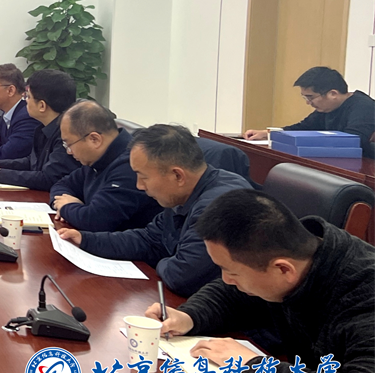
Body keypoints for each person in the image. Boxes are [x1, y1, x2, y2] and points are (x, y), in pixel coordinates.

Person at [145, 190, 375, 373]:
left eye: (232, 273)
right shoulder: (296, 256)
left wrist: (254, 366)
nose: (226, 280)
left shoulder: (364, 293)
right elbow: (233, 295)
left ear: (283, 269)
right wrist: (189, 316)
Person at [57, 124, 250, 295]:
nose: (139, 186)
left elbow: (181, 277)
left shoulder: (219, 206)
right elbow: (148, 240)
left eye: (143, 177)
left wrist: (162, 259)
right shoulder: (181, 194)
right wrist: (86, 240)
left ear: (177, 176)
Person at [49, 101, 161, 231]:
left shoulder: (131, 164)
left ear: (94, 139)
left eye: (69, 144)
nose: (69, 152)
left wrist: (67, 208)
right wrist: (69, 206)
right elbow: (62, 184)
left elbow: (95, 221)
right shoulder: (96, 159)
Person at [0, 69, 78, 190]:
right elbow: (31, 162)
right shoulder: (43, 127)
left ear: (42, 106)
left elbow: (49, 178)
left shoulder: (67, 135)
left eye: (28, 97)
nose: (25, 100)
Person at [243, 66, 375, 158]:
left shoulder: (364, 107)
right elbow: (304, 127)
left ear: (333, 94)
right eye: (305, 98)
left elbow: (353, 141)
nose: (308, 103)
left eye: (310, 97)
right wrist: (269, 134)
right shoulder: (327, 108)